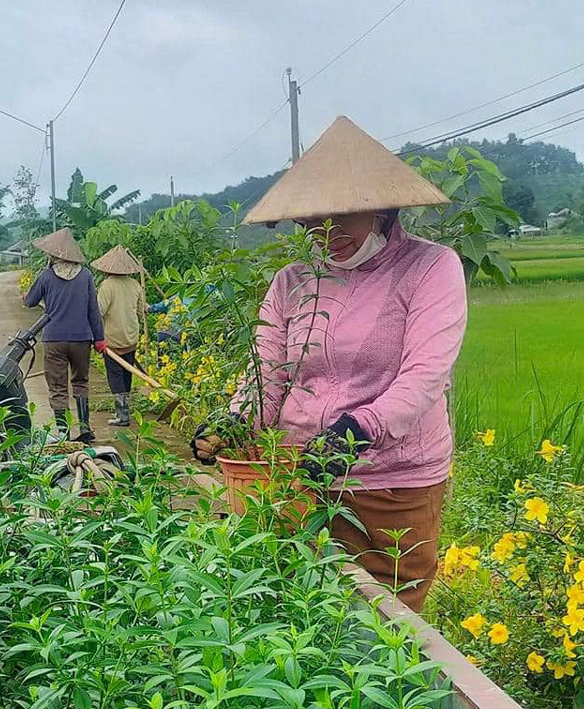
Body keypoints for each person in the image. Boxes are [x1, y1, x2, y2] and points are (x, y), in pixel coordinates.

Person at [194, 116, 467, 612]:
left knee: (385, 628)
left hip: (391, 483)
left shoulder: (430, 267)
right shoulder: (290, 281)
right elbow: (268, 370)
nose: (326, 232)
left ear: (383, 210)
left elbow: (425, 376)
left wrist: (357, 430)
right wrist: (233, 422)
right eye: (309, 222)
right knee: (298, 614)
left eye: (343, 216)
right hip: (298, 475)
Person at [21, 227, 105, 442]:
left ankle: (63, 432)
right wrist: (99, 339)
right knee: (80, 382)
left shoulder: (47, 276)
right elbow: (93, 309)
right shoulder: (85, 276)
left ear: (54, 255)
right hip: (82, 338)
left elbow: (30, 301)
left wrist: (25, 296)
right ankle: (85, 428)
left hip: (54, 339)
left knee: (58, 387)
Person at [92, 245, 147, 427]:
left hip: (112, 340)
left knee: (115, 376)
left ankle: (122, 414)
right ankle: (125, 410)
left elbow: (98, 311)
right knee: (126, 373)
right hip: (131, 337)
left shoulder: (107, 286)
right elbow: (141, 311)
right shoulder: (135, 285)